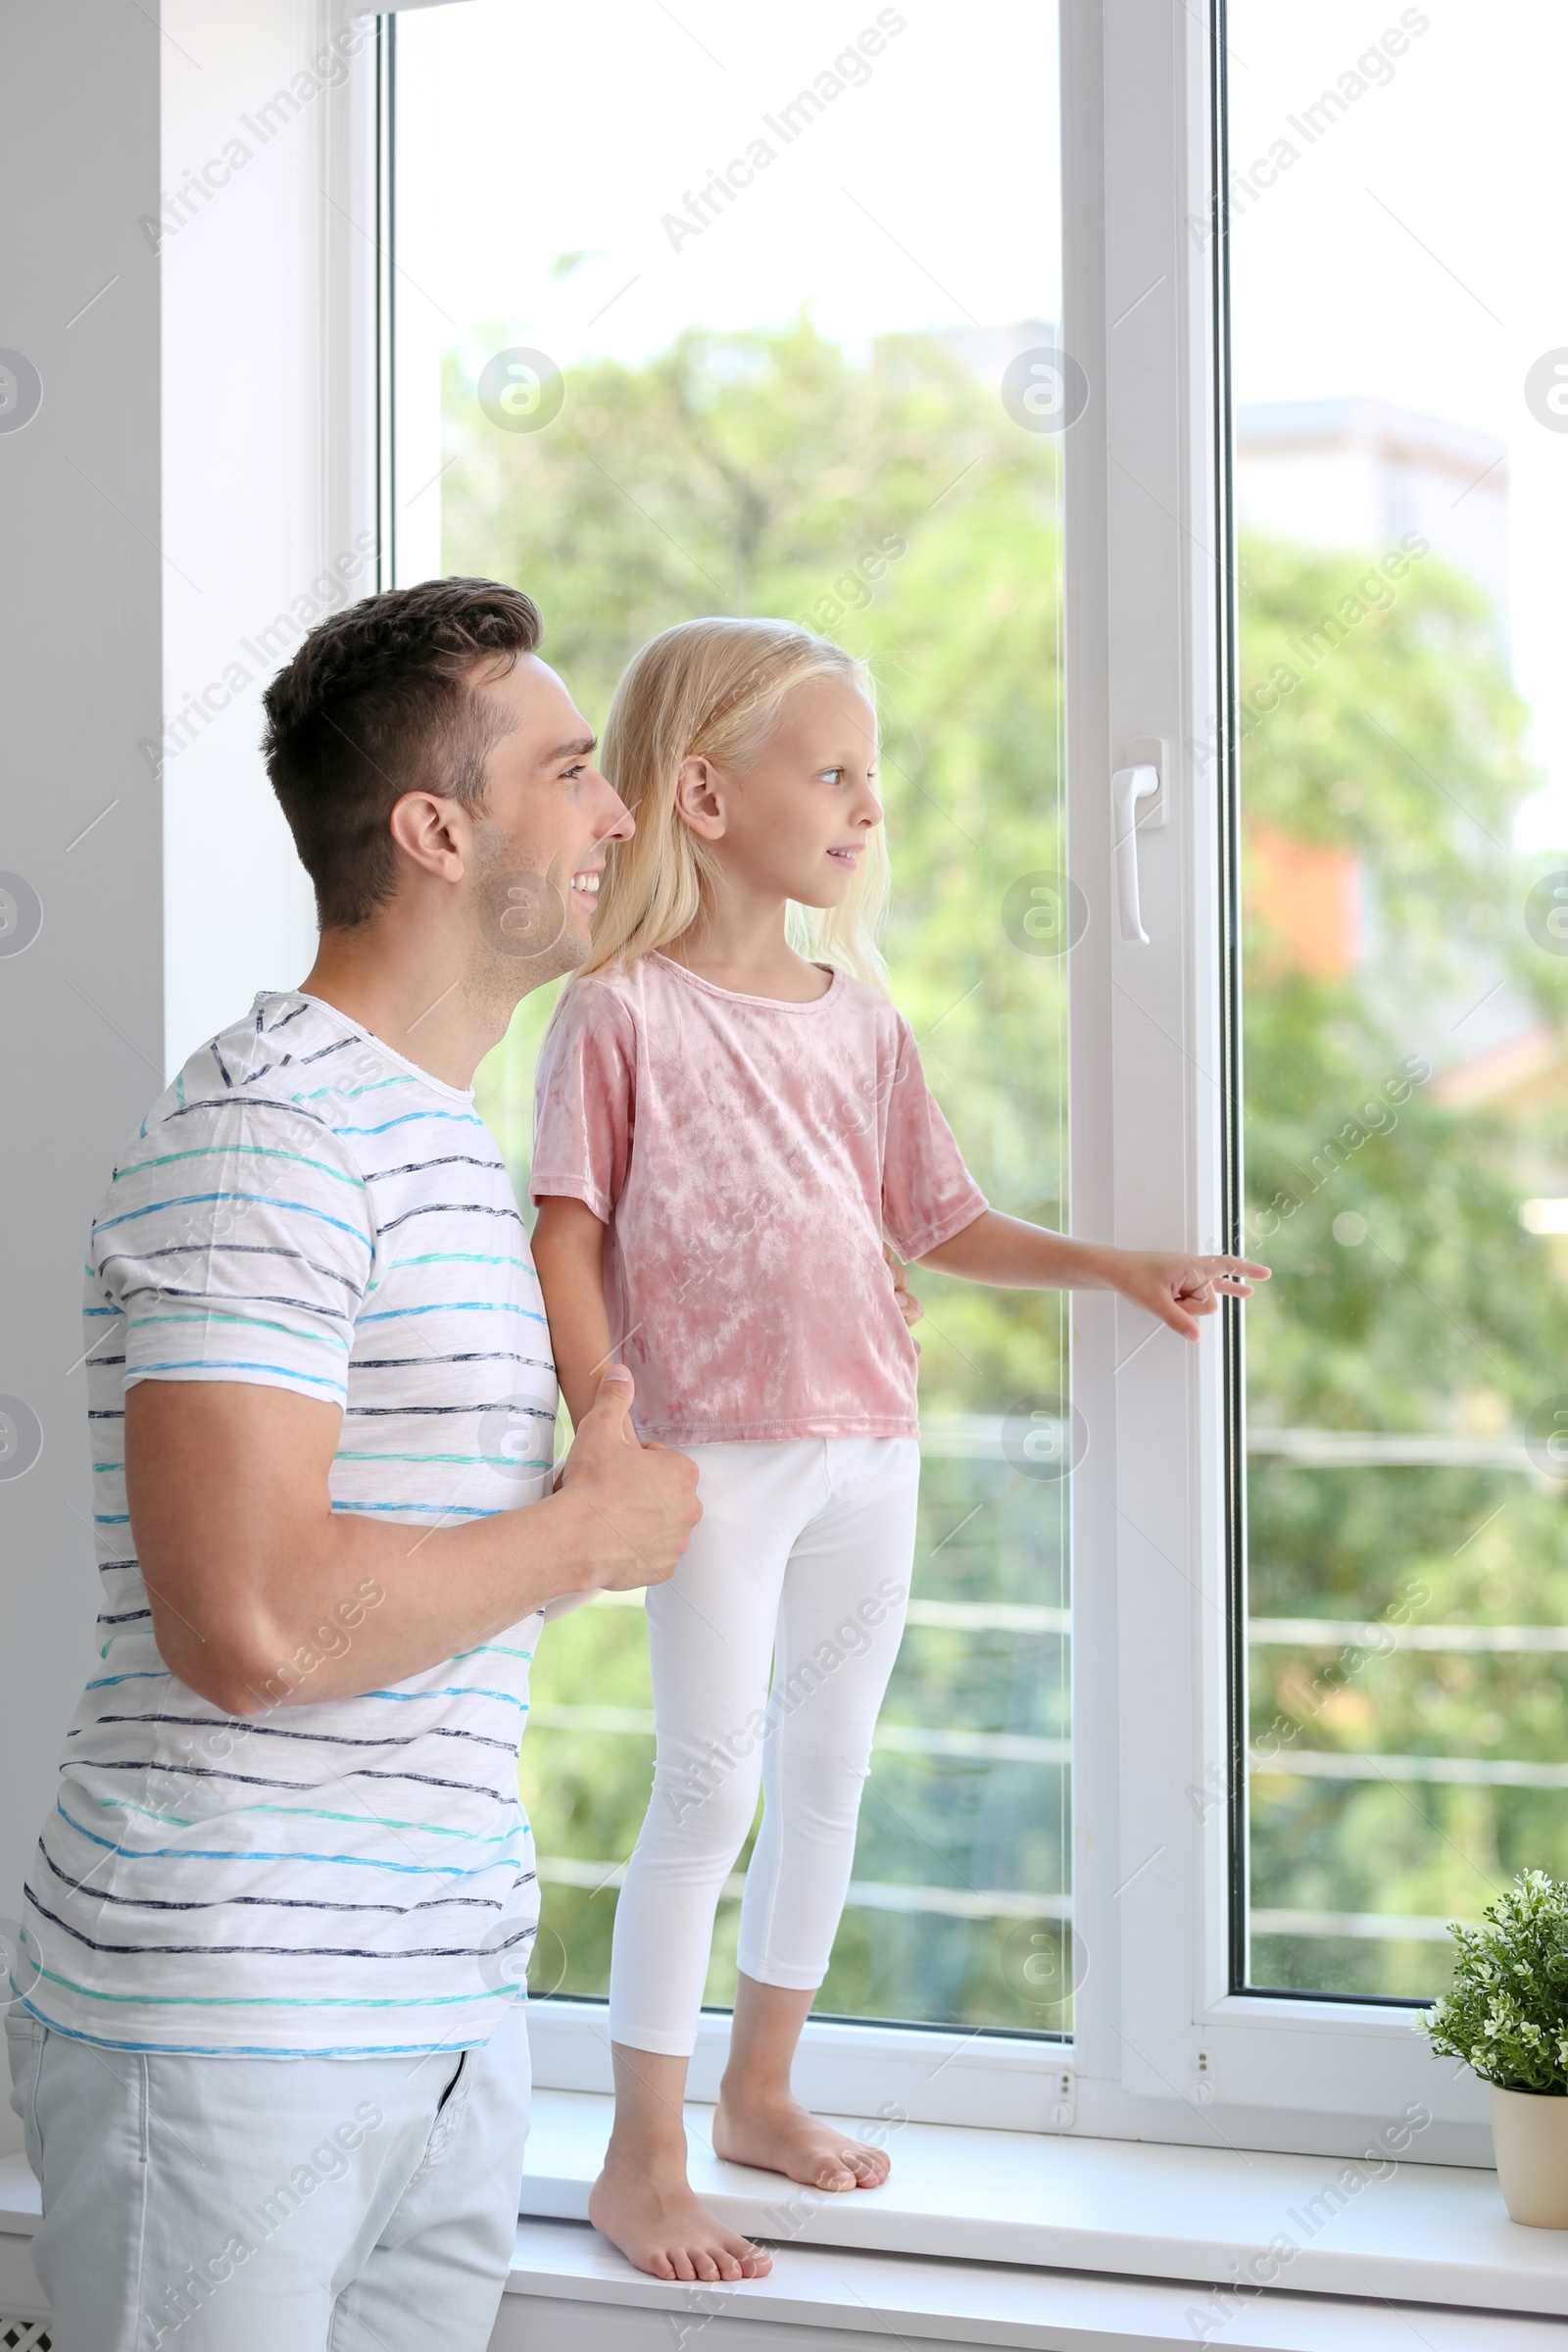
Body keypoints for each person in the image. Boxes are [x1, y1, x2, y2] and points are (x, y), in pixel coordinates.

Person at [5, 578, 704, 2352]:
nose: (618, 807)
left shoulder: (445, 1148)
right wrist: (585, 1536)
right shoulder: (268, 1136)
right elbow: (247, 1623)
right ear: (436, 828)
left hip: (442, 2010)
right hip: (235, 2018)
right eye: (570, 770)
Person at [529, 615, 1269, 2286]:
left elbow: (939, 1217)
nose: (869, 806)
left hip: (869, 1444)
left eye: (877, 776)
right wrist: (605, 1415)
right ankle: (638, 2156)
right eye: (837, 771)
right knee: (708, 1785)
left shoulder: (863, 1021)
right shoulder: (617, 1014)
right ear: (704, 795)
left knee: (831, 1778)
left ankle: (759, 2094)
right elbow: (564, 1234)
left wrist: (1111, 1262)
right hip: (707, 1459)